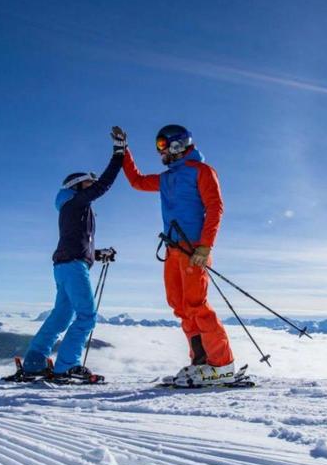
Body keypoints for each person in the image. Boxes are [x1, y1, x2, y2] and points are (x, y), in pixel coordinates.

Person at [116, 124, 236, 386]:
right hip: (173, 249)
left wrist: (205, 247)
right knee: (180, 306)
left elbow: (215, 208)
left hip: (194, 249)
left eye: (163, 145)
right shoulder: (166, 178)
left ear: (178, 145)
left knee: (196, 305)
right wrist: (124, 151)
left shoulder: (201, 171)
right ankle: (201, 362)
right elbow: (137, 181)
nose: (160, 151)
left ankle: (222, 364)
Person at [21, 130, 124, 377]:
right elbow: (104, 185)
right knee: (86, 316)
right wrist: (119, 153)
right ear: (77, 186)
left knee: (61, 315)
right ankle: (67, 366)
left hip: (65, 266)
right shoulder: (76, 202)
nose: (92, 187)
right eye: (88, 183)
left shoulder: (72, 207)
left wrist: (98, 254)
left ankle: (35, 362)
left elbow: (76, 242)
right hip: (74, 267)